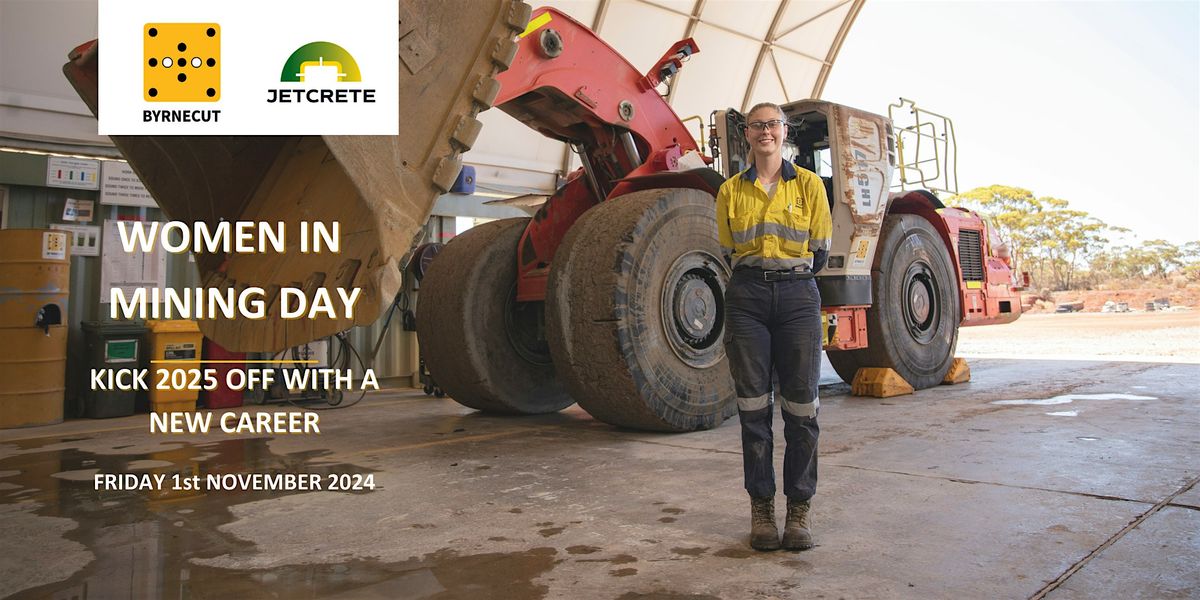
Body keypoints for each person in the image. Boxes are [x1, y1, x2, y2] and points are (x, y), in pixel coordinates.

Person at [716, 102, 832, 551]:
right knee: (753, 409)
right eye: (757, 125)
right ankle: (761, 508)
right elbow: (728, 249)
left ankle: (799, 510)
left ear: (786, 132)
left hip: (799, 297)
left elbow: (818, 251)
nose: (765, 131)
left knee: (802, 410)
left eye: (773, 124)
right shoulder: (729, 191)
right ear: (747, 133)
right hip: (746, 297)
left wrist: (788, 272)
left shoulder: (809, 186)